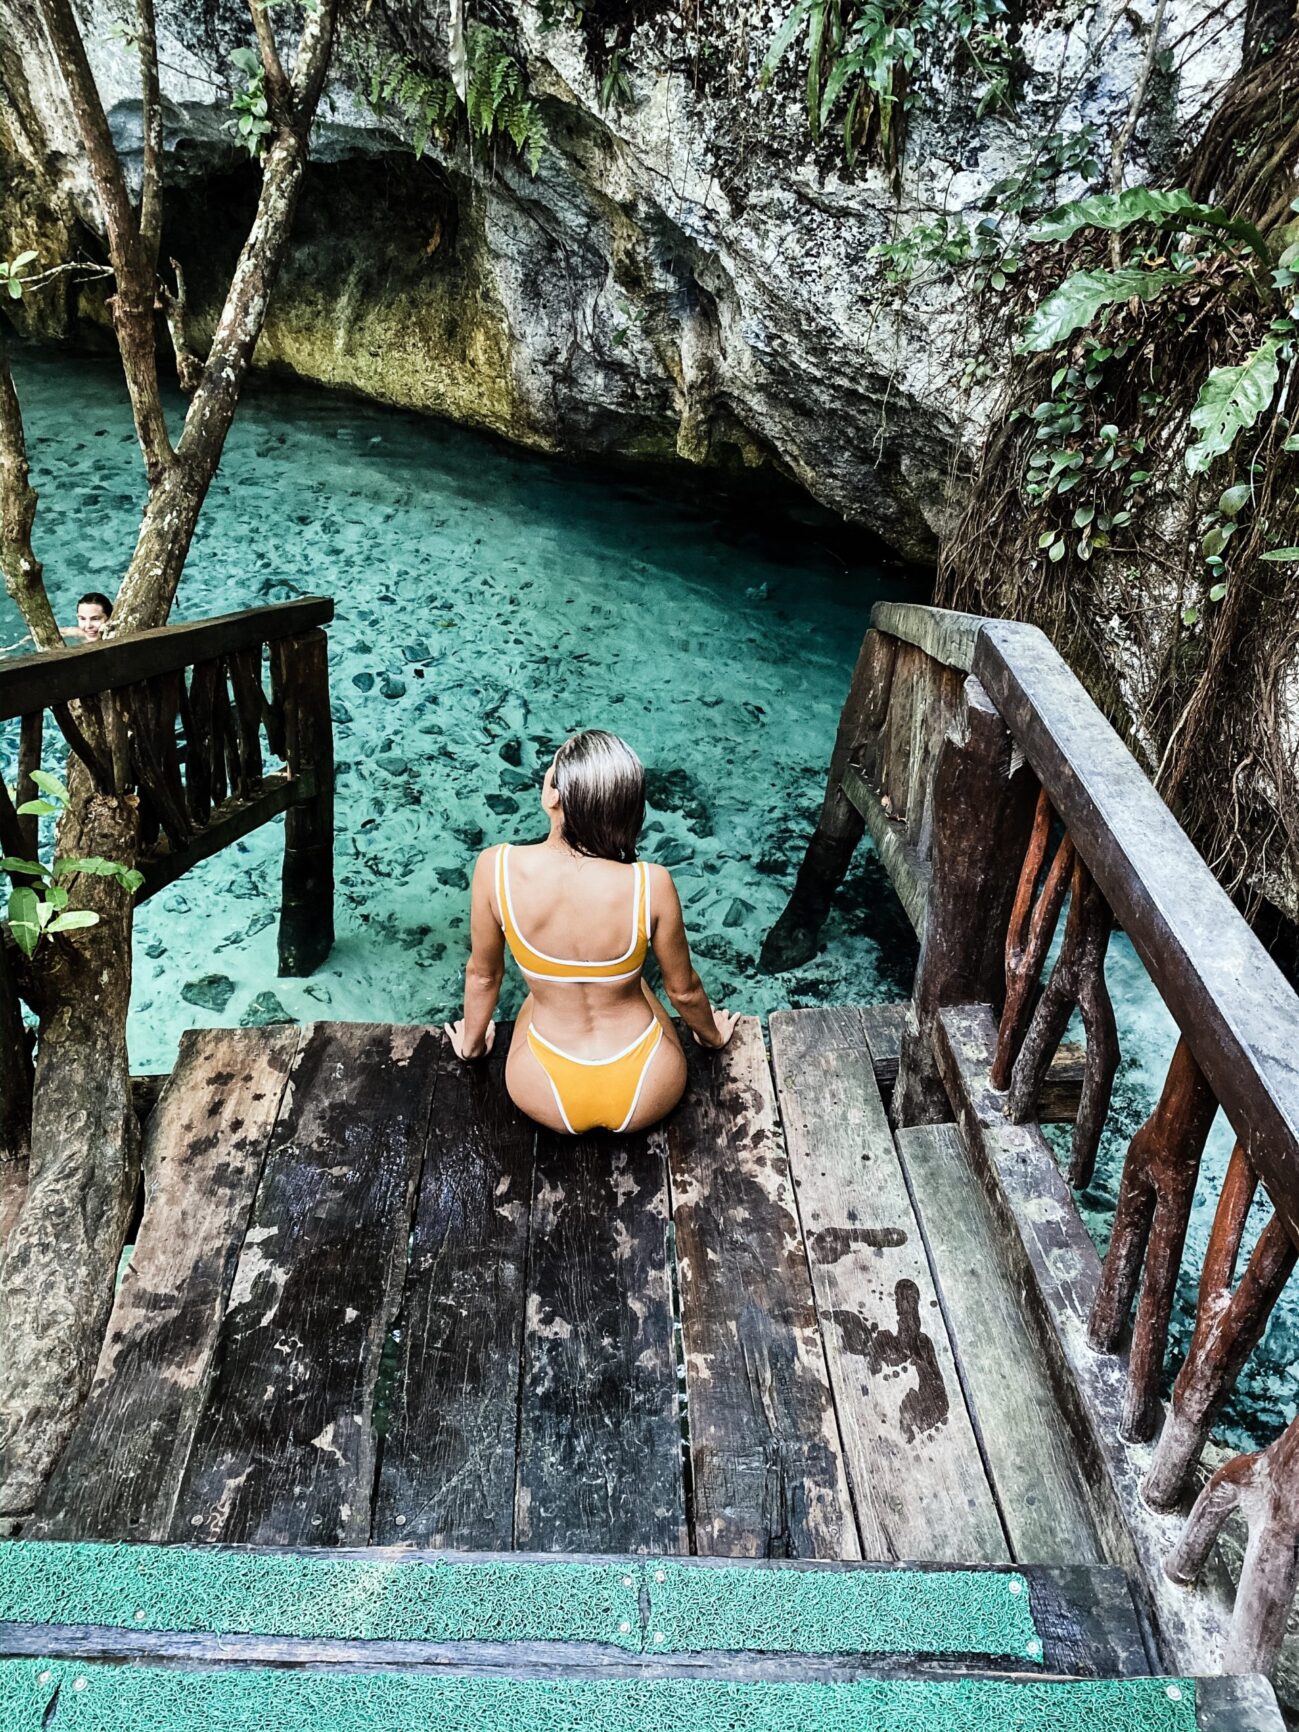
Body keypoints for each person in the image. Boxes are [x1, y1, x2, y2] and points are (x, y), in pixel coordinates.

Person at [446, 729, 736, 1134]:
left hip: (544, 1087)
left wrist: (471, 1047)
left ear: (553, 797)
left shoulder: (494, 868)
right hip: (648, 1084)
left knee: (539, 992)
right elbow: (683, 990)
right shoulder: (651, 883)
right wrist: (713, 1037)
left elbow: (484, 975)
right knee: (637, 983)